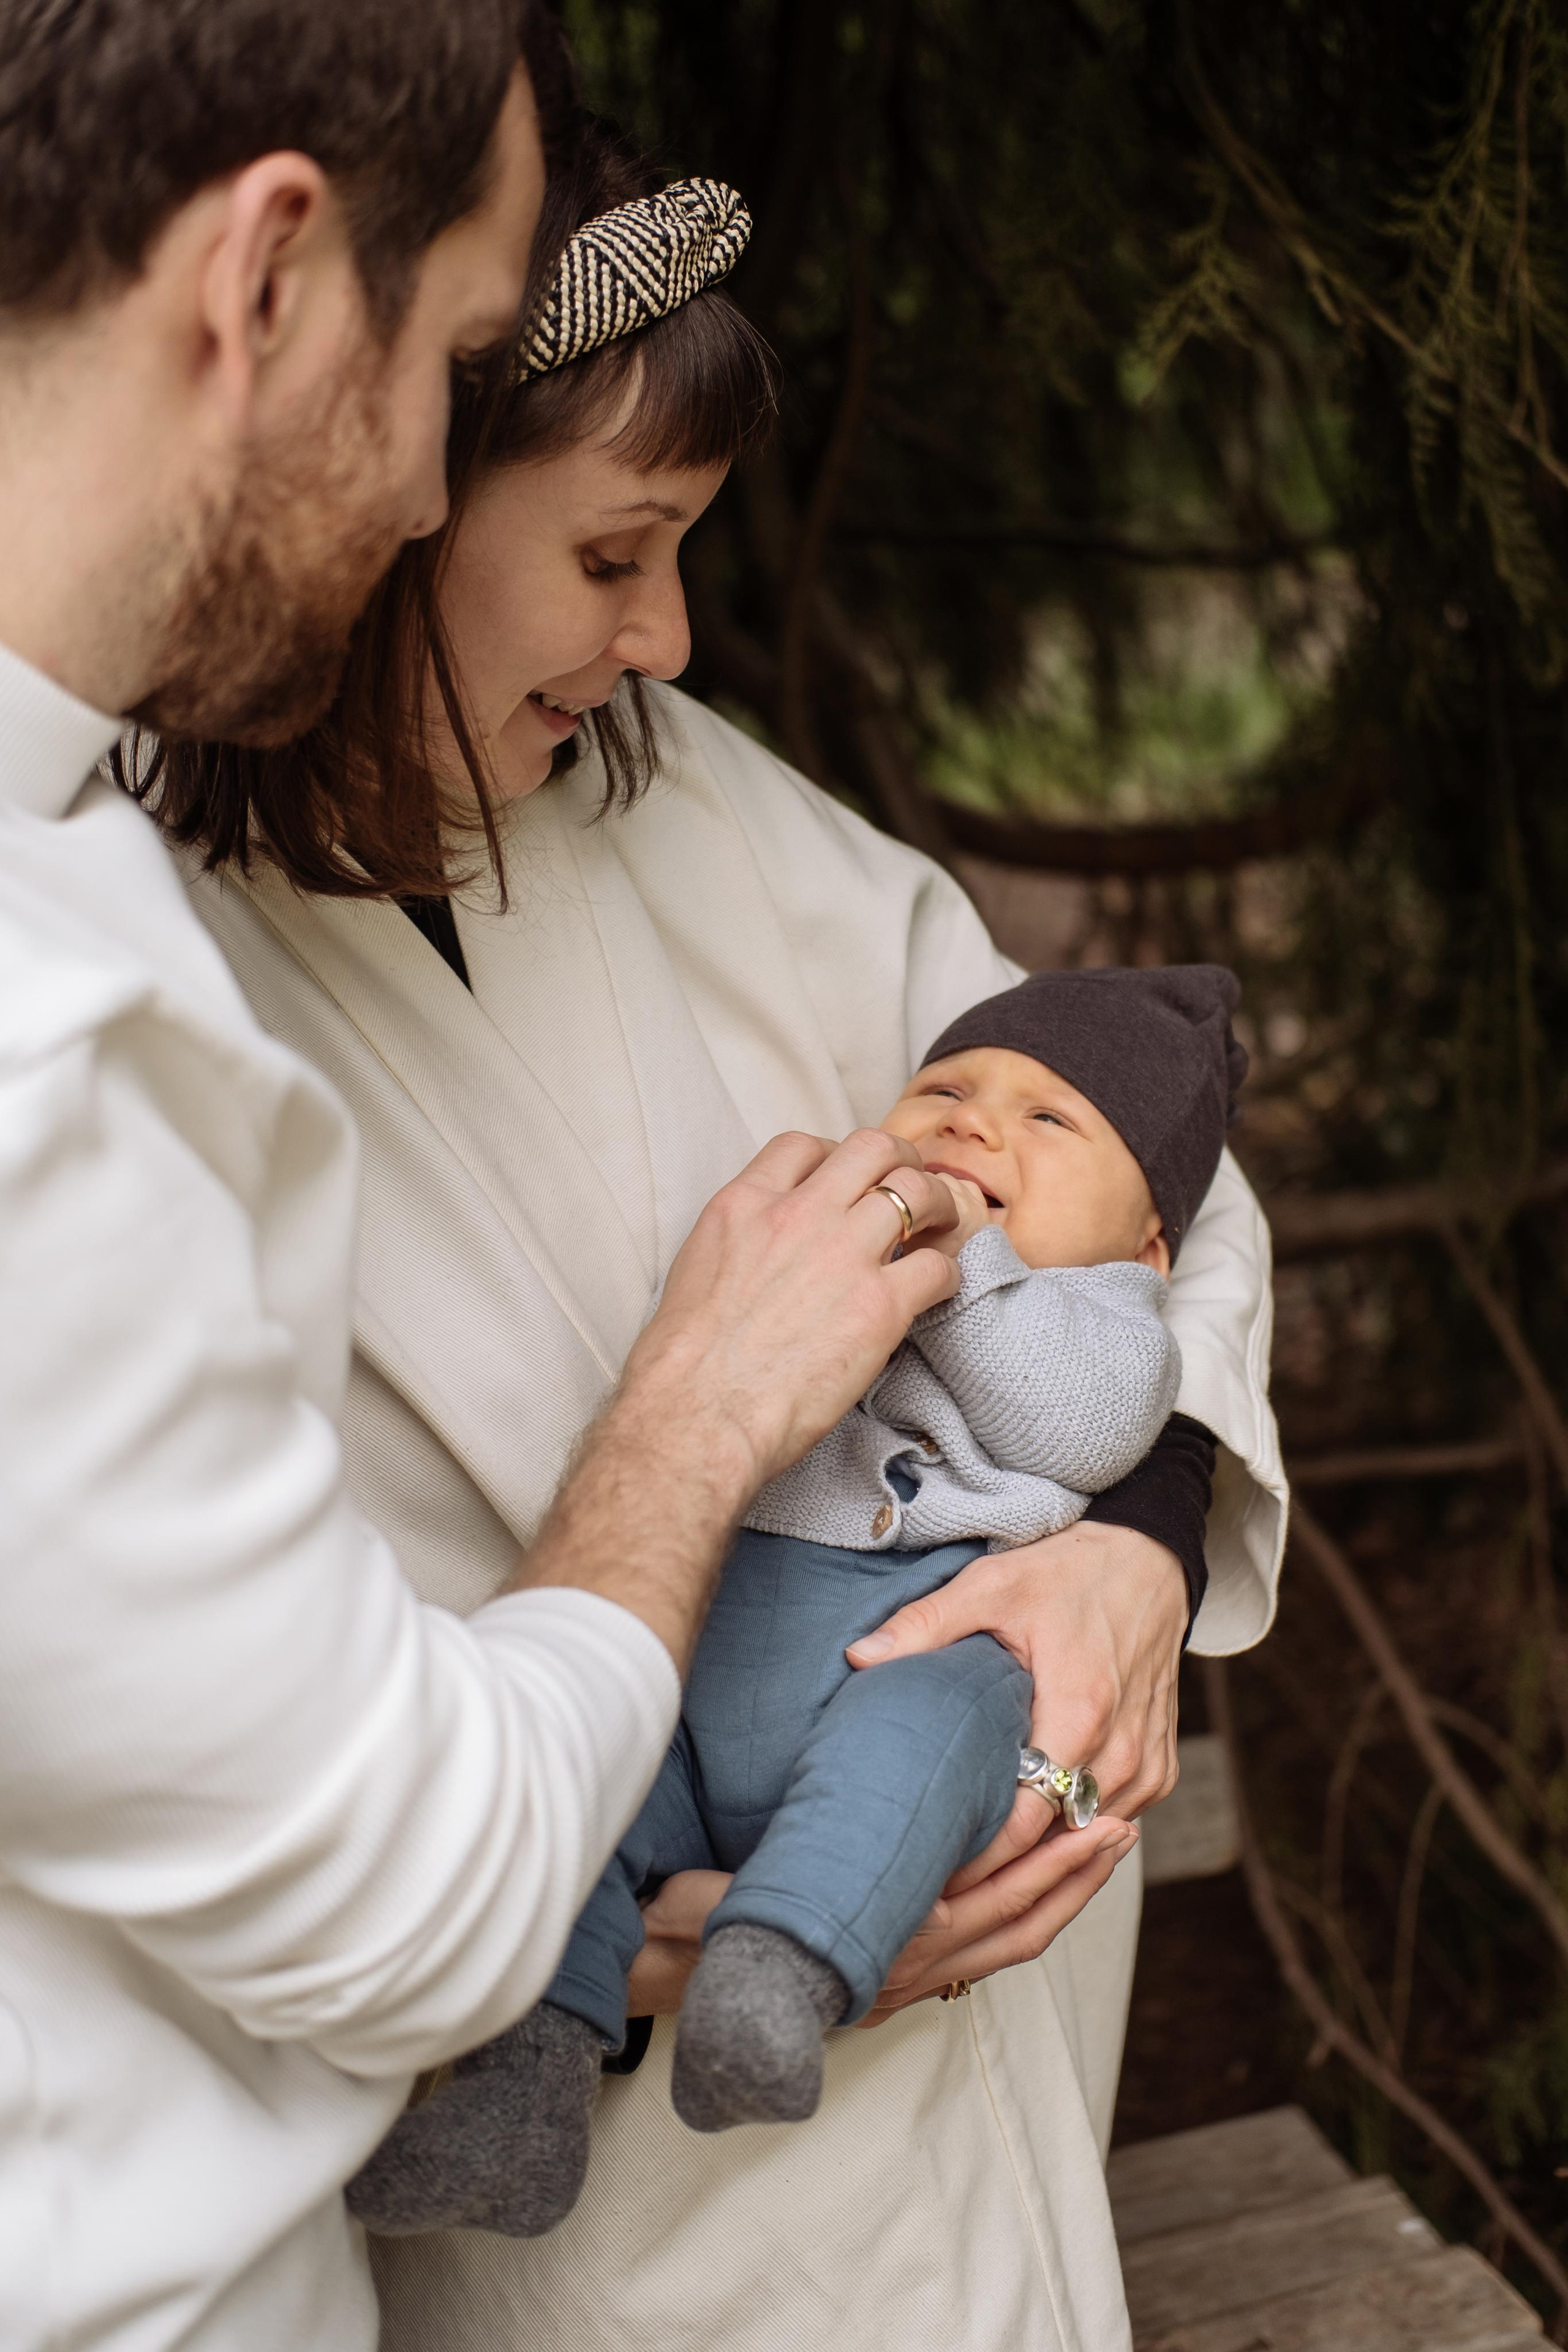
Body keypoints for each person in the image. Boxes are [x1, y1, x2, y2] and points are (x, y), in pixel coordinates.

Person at [165, 138, 1288, 2352]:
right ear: (377, 503)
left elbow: (1159, 1158)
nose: (667, 639)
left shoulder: (687, 803)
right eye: (610, 555)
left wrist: (1132, 1545)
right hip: (624, 2223)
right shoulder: (155, 1021)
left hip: (993, 2128)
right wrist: (599, 1934)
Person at [0, 12, 981, 2350]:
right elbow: (409, 1887)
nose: (428, 488)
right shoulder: (84, 998)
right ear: (264, 284)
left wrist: (1119, 1561)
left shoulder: (675, 807)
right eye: (445, 372)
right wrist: (690, 1426)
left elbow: (1068, 1098)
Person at [345, 963, 1243, 2239]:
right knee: (594, 1778)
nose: (974, 1122)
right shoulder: (844, 1249)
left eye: (1050, 1122)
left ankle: (775, 1975)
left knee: (919, 1736)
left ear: (1148, 1244)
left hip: (914, 1642)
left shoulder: (1109, 1321)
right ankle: (523, 2086)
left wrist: (964, 1256)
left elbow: (1066, 1425)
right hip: (709, 1648)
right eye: (942, 1090)